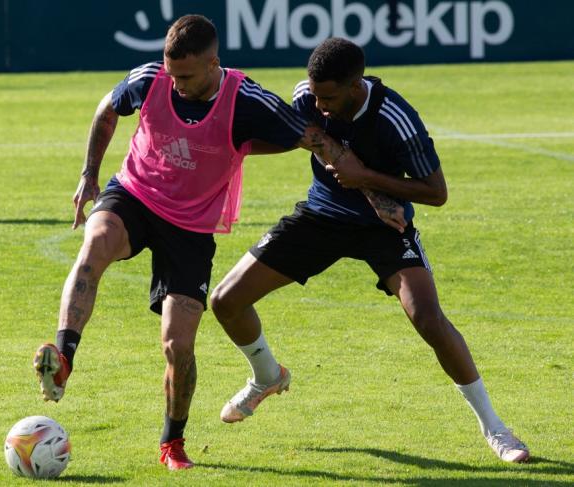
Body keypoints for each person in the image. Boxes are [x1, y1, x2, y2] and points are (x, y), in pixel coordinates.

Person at [32, 17, 402, 471]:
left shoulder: (247, 100)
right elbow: (107, 109)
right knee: (96, 244)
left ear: (214, 63)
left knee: (177, 344)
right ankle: (63, 359)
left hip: (190, 227)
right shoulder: (150, 80)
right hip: (134, 193)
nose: (176, 85)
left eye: (186, 76)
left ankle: (173, 443)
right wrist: (89, 174)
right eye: (172, 74)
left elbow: (316, 141)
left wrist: (376, 195)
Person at [210, 37, 530, 464]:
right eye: (315, 94)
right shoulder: (308, 96)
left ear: (356, 84)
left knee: (428, 318)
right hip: (321, 217)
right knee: (225, 300)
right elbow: (303, 135)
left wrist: (367, 178)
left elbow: (436, 193)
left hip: (383, 229)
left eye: (329, 97)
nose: (319, 105)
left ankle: (496, 428)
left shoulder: (396, 118)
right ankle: (267, 375)